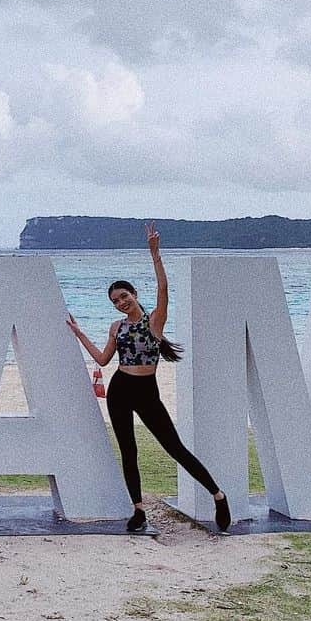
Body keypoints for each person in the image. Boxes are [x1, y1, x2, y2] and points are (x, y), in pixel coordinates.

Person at [65, 222, 231, 533]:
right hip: (120, 388)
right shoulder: (117, 327)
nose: (120, 302)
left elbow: (164, 289)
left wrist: (154, 253)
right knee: (128, 451)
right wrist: (80, 334)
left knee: (175, 447)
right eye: (115, 301)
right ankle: (138, 510)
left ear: (134, 293)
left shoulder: (154, 321)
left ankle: (218, 496)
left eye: (123, 296)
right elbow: (103, 359)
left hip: (146, 390)